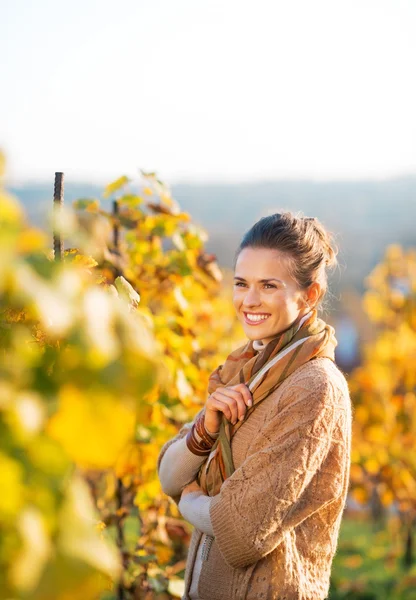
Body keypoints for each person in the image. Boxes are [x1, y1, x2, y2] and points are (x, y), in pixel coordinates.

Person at [157, 212, 352, 600]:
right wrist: (204, 431)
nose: (249, 300)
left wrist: (188, 500)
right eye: (242, 283)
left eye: (268, 285)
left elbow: (243, 528)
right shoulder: (246, 369)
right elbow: (167, 475)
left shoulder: (314, 386)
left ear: (309, 295)